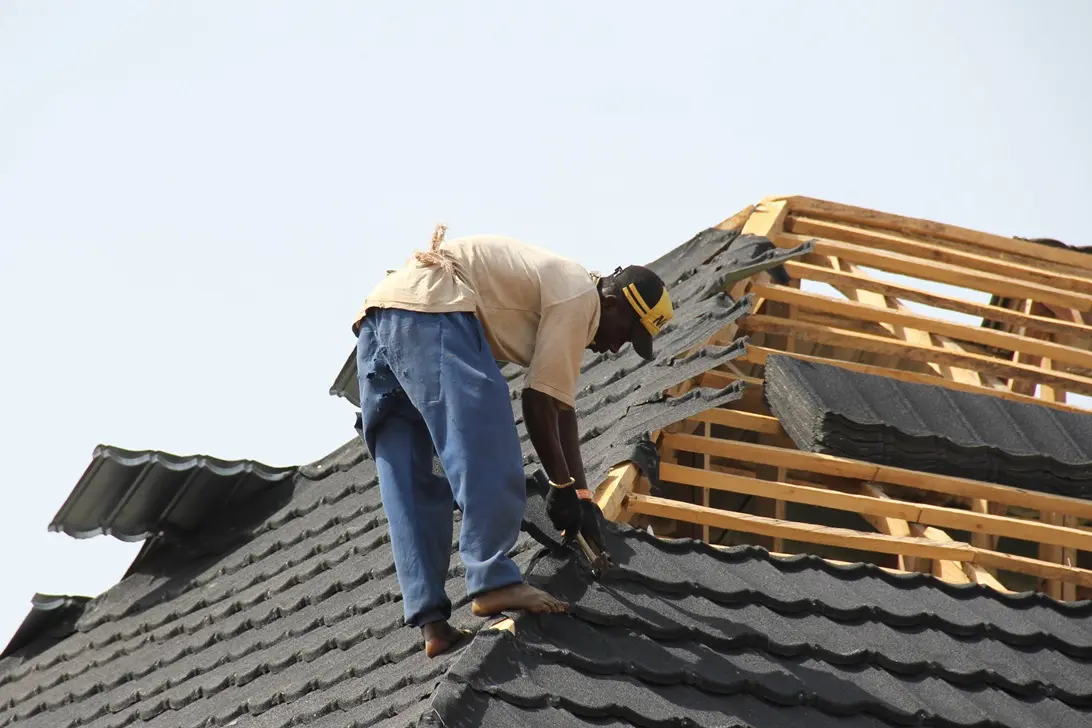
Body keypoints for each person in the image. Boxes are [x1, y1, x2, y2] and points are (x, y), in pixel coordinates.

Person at [351, 225, 674, 657]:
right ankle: (493, 580)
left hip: (383, 321)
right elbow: (539, 404)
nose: (617, 348)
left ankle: (433, 624)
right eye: (627, 333)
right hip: (433, 311)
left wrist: (581, 497)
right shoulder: (581, 297)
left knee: (412, 478)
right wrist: (562, 488)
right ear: (612, 304)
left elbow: (562, 409)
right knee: (485, 437)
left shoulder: (568, 290)